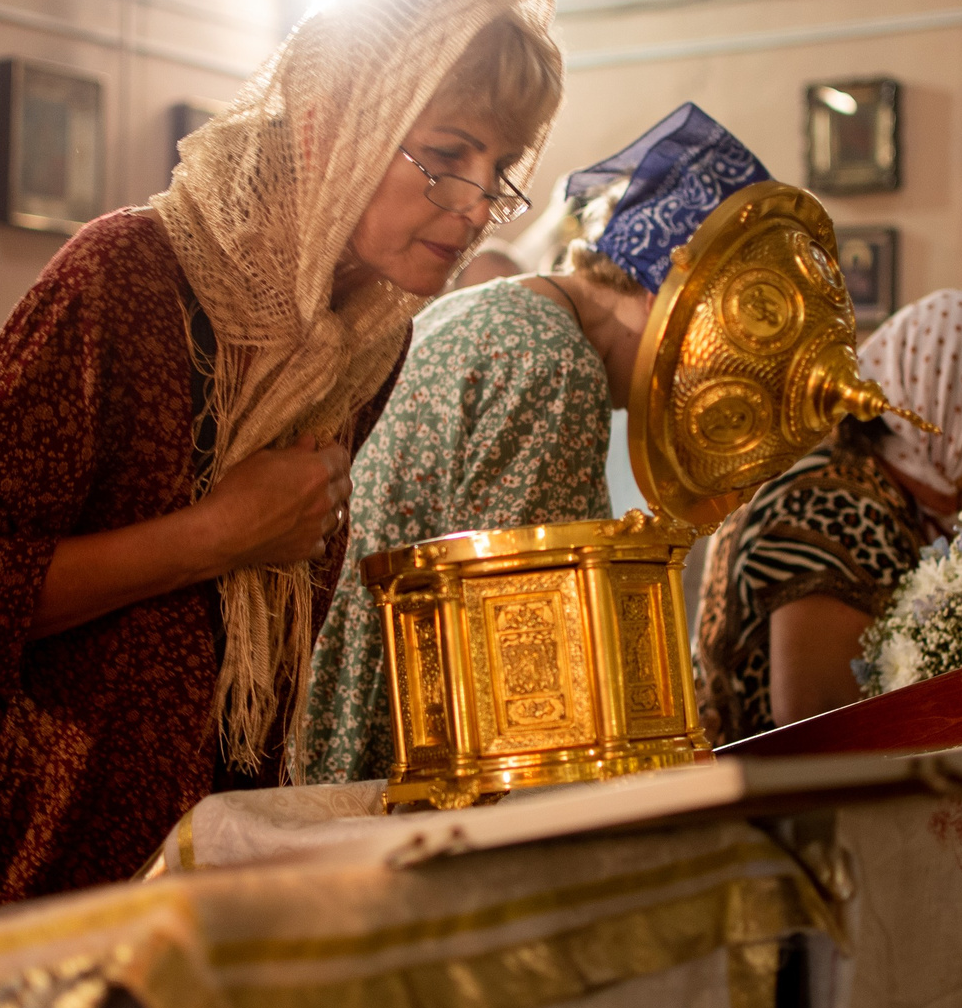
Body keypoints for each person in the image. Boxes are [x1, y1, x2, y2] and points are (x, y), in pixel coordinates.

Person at [0, 0, 567, 917]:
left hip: (220, 857)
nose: (469, 203)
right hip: (40, 865)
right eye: (448, 154)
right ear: (335, 125)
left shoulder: (367, 336)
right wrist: (214, 535)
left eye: (496, 174)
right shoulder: (126, 274)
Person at [297, 103, 773, 785]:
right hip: (400, 779)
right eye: (722, 342)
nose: (720, 379)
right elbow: (531, 681)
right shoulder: (551, 365)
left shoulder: (497, 309)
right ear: (659, 294)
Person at [694, 290, 962, 739]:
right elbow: (818, 718)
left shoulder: (882, 486)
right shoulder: (832, 500)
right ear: (951, 402)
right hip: (771, 798)